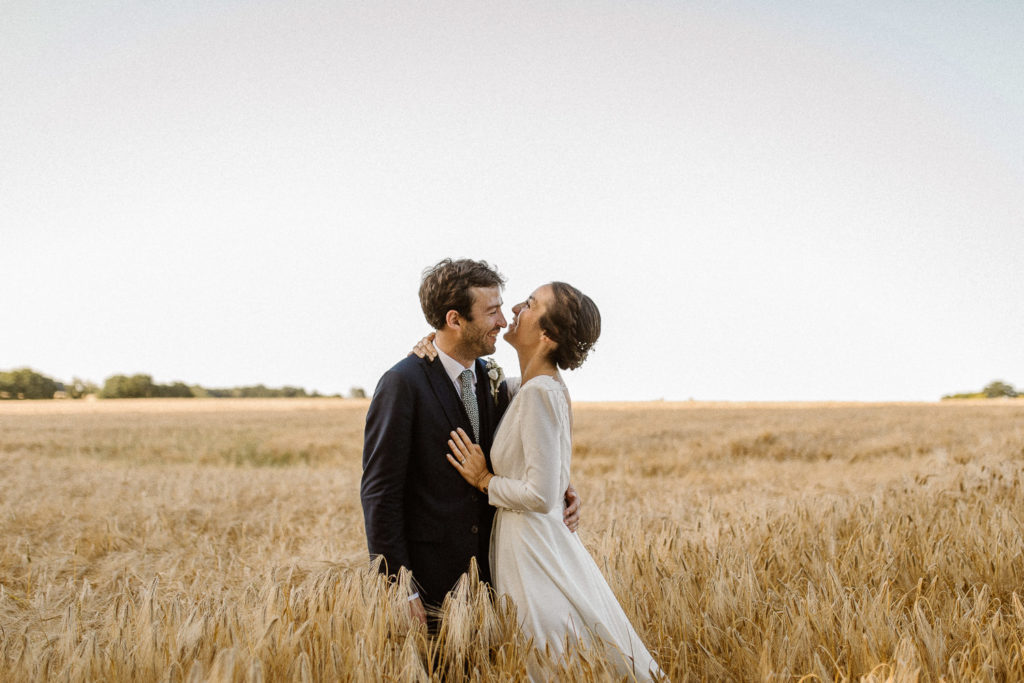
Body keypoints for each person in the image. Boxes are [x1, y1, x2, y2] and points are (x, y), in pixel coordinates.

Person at [445, 282, 663, 681]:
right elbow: (547, 469)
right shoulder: (530, 387)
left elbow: (541, 496)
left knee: (548, 658)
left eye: (528, 305)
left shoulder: (539, 393)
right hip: (528, 541)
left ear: (546, 337)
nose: (514, 308)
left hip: (532, 553)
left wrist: (484, 480)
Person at [360, 258, 580, 626]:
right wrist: (399, 585)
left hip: (497, 577)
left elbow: (528, 447)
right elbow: (380, 492)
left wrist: (561, 486)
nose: (503, 320)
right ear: (455, 319)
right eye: (491, 311)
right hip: (431, 584)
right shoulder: (403, 383)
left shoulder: (493, 380)